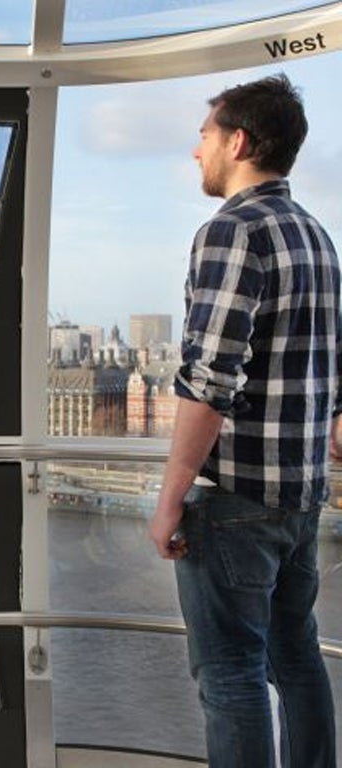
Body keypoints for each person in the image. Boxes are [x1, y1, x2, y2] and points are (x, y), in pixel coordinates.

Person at [149, 74, 338, 767]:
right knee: (297, 658)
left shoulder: (233, 231)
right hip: (301, 497)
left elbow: (210, 378)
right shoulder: (317, 238)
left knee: (230, 674)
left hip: (234, 500)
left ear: (238, 140)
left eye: (203, 136)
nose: (196, 151)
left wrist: (171, 496)